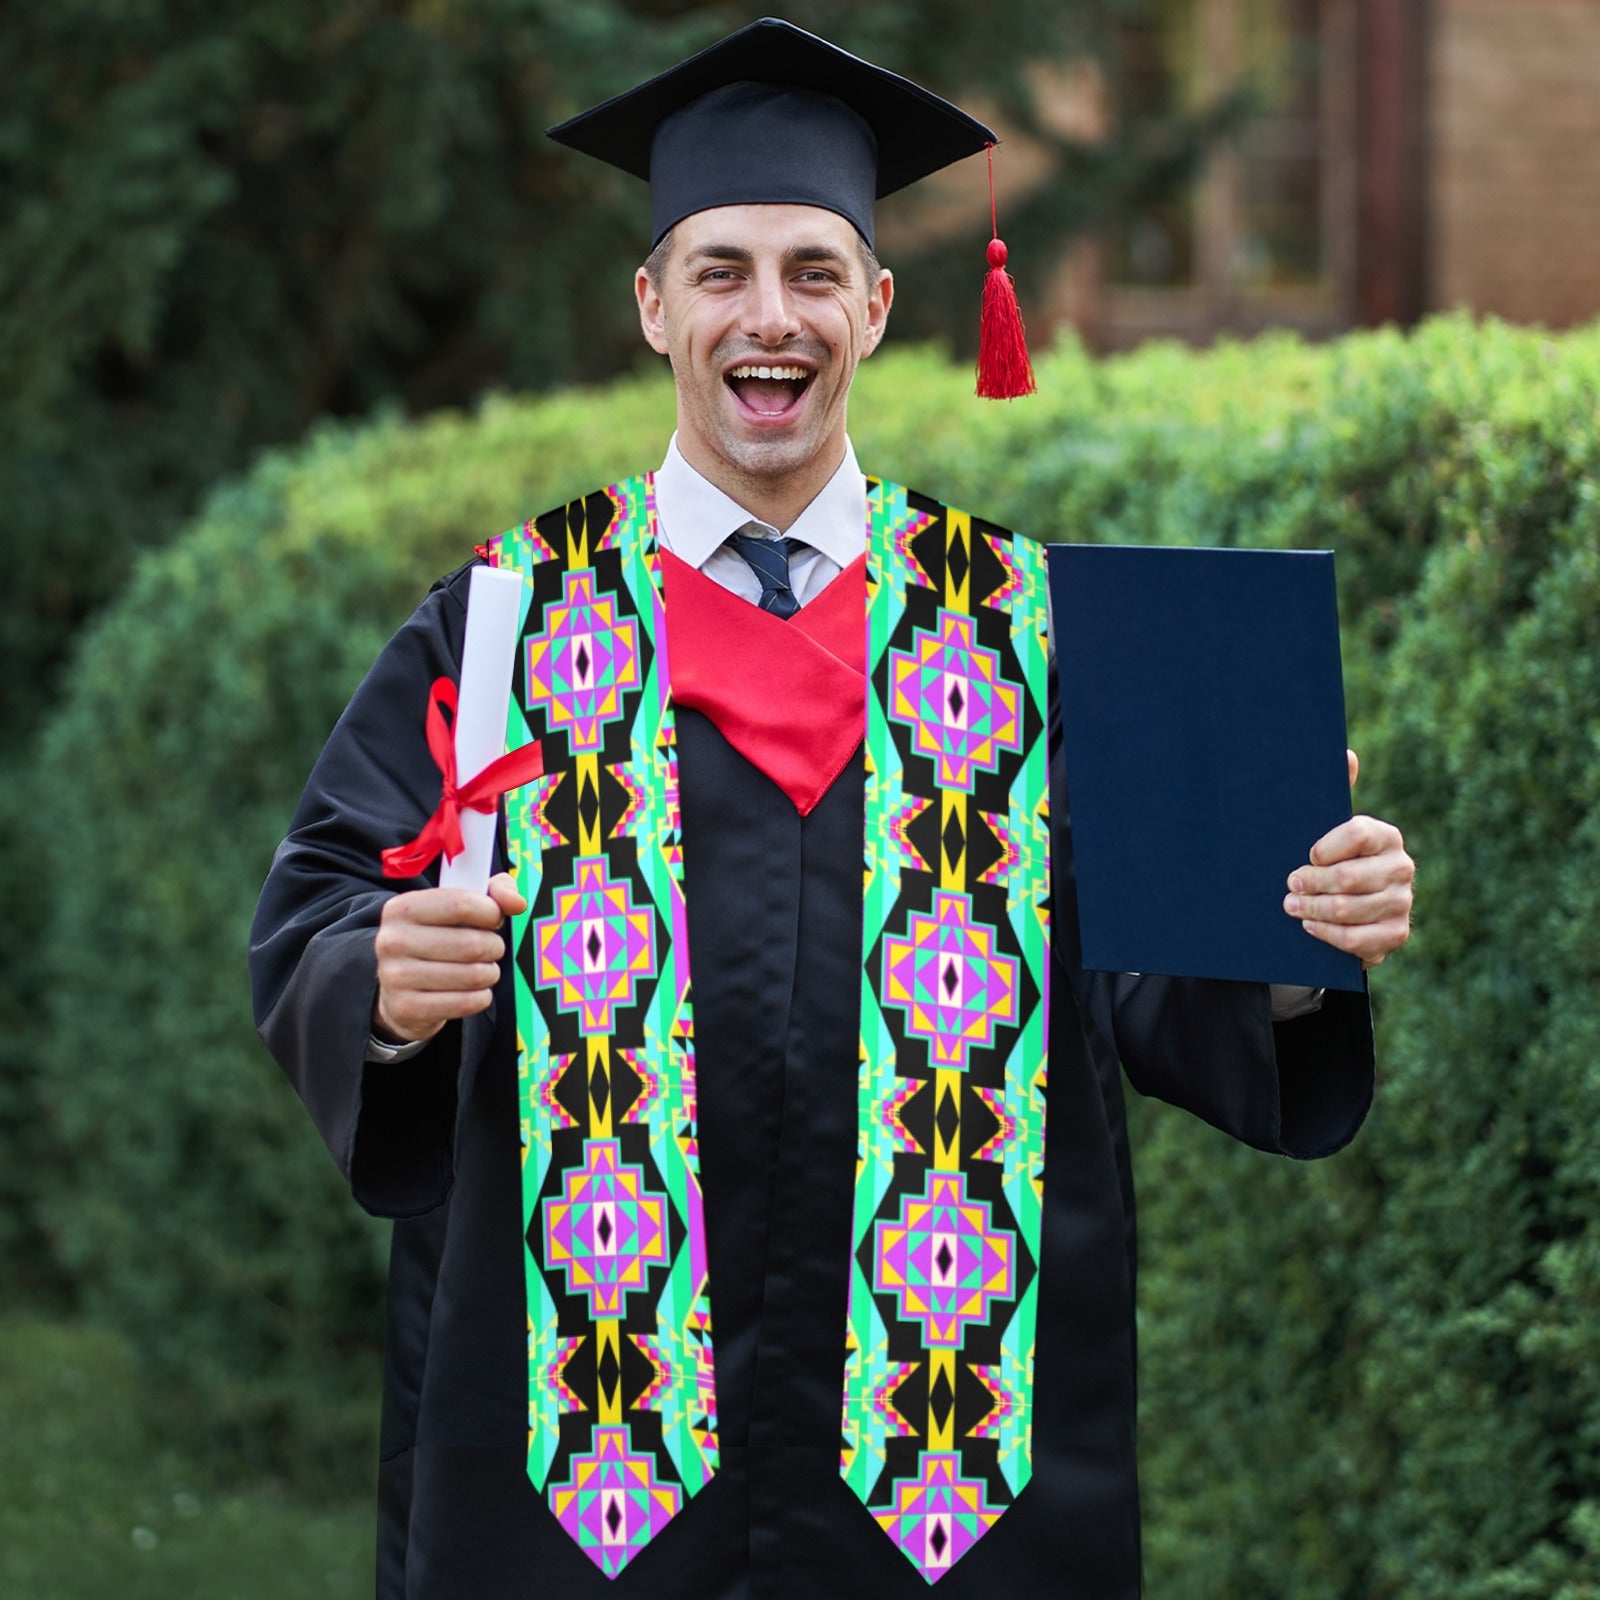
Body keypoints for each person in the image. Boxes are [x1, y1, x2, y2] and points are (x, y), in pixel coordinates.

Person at [249, 19, 1414, 1600]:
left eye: (812, 270)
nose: (768, 316)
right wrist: (378, 986)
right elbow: (323, 901)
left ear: (877, 305)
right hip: (584, 1471)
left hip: (954, 1483)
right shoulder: (507, 621)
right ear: (654, 305)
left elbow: (1153, 980)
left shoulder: (1031, 630)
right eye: (721, 270)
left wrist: (1292, 935)